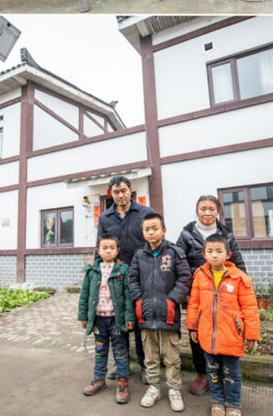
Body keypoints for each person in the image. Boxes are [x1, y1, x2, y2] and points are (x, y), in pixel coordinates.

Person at [176, 195, 246, 396]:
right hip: (197, 294)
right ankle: (202, 375)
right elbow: (178, 263)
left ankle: (223, 375)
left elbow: (238, 263)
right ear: (196, 211)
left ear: (218, 212)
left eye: (211, 209)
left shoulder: (227, 234)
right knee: (197, 333)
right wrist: (186, 289)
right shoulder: (187, 233)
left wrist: (244, 288)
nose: (207, 213)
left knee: (225, 332)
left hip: (224, 294)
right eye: (203, 209)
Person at [186, 233, 260, 416]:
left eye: (219, 251)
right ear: (204, 254)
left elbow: (250, 308)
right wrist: (193, 326)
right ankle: (217, 401)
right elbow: (193, 303)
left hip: (231, 336)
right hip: (207, 335)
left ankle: (233, 403)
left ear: (228, 254)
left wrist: (251, 334)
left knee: (231, 373)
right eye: (209, 251)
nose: (214, 255)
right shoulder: (200, 275)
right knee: (212, 371)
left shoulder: (239, 278)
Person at [128, 213, 192, 412]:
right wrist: (139, 300)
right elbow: (132, 280)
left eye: (155, 228)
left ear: (163, 230)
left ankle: (174, 389)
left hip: (168, 314)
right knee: (151, 356)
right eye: (147, 229)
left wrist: (172, 300)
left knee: (172, 357)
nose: (151, 232)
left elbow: (184, 279)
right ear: (143, 233)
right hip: (146, 314)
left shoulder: (175, 252)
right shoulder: (139, 255)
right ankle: (154, 387)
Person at [96, 176, 154, 383]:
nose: (120, 195)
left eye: (123, 191)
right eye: (115, 192)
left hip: (141, 276)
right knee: (117, 322)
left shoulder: (145, 213)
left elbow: (153, 241)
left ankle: (146, 365)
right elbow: (100, 247)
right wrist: (95, 274)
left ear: (130, 190)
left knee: (139, 322)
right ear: (110, 193)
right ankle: (120, 363)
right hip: (115, 279)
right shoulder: (105, 218)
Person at [78, 233, 135, 404]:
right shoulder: (92, 271)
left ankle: (123, 382)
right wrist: (83, 316)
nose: (108, 251)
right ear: (98, 250)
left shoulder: (123, 270)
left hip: (116, 320)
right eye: (105, 248)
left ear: (117, 250)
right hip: (98, 320)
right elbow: (84, 294)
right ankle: (99, 379)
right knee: (100, 350)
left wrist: (129, 317)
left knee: (120, 351)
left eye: (112, 248)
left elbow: (128, 296)